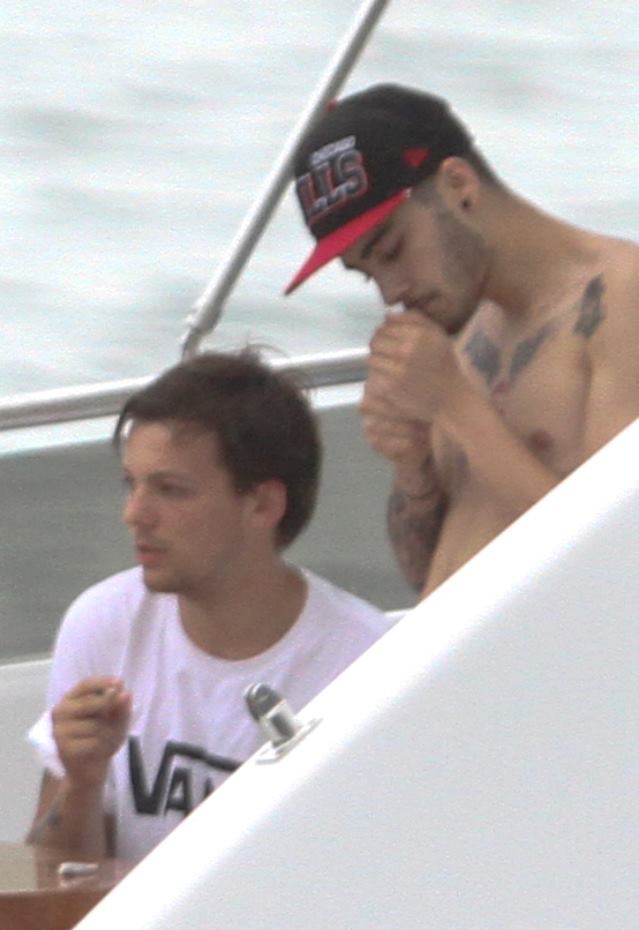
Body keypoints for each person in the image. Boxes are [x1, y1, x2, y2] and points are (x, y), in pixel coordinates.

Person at [26, 349, 389, 862]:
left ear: (263, 505)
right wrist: (82, 784)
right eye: (132, 485)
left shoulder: (365, 663)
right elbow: (55, 882)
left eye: (170, 490)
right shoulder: (103, 623)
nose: (135, 514)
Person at [285, 82, 639, 599]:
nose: (390, 292)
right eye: (366, 274)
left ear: (458, 185)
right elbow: (421, 571)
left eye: (393, 250)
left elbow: (619, 563)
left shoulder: (620, 299)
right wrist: (415, 470)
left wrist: (455, 407)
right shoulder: (458, 327)